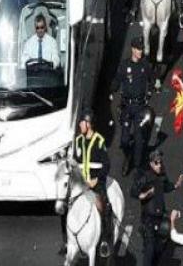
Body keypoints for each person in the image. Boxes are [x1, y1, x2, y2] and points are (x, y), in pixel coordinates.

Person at [131, 150, 182, 266]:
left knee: (159, 250)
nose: (159, 165)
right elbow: (133, 191)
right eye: (156, 163)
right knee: (149, 252)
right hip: (148, 220)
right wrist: (143, 195)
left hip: (161, 218)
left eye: (160, 162)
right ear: (151, 164)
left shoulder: (162, 175)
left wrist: (175, 185)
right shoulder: (145, 177)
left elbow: (165, 186)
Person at [73, 110, 112, 258]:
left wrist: (96, 180)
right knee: (65, 205)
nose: (79, 125)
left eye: (82, 122)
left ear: (88, 124)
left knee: (104, 207)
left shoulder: (99, 141)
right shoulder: (78, 141)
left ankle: (104, 241)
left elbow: (106, 165)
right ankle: (68, 239)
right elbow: (76, 162)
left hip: (95, 184)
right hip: (80, 185)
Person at [112, 37, 152, 175]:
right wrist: (112, 89)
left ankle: (137, 167)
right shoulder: (125, 65)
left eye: (142, 49)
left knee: (140, 140)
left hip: (140, 106)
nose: (141, 51)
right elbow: (117, 79)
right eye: (138, 49)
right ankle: (127, 155)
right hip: (127, 107)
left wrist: (151, 91)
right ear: (133, 49)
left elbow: (153, 79)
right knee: (124, 140)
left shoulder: (145, 65)